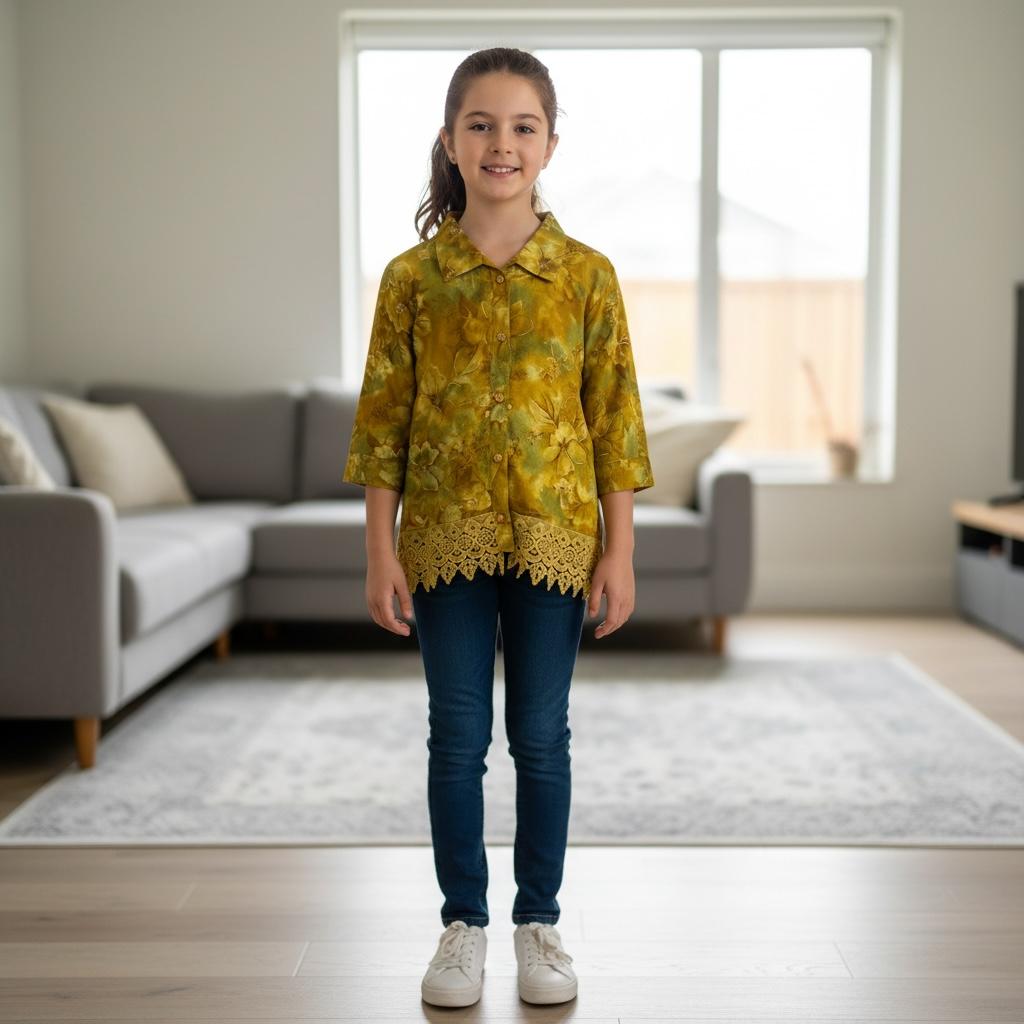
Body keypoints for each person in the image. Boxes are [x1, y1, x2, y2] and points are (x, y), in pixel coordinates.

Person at [343, 46, 654, 1009]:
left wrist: (621, 552)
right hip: (443, 542)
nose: (501, 144)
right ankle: (462, 926)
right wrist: (379, 549)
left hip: (560, 542)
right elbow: (383, 424)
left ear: (551, 143)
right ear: (448, 140)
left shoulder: (588, 278)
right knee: (455, 736)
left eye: (523, 127)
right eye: (480, 125)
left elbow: (616, 422)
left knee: (543, 737)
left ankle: (539, 923)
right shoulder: (412, 280)